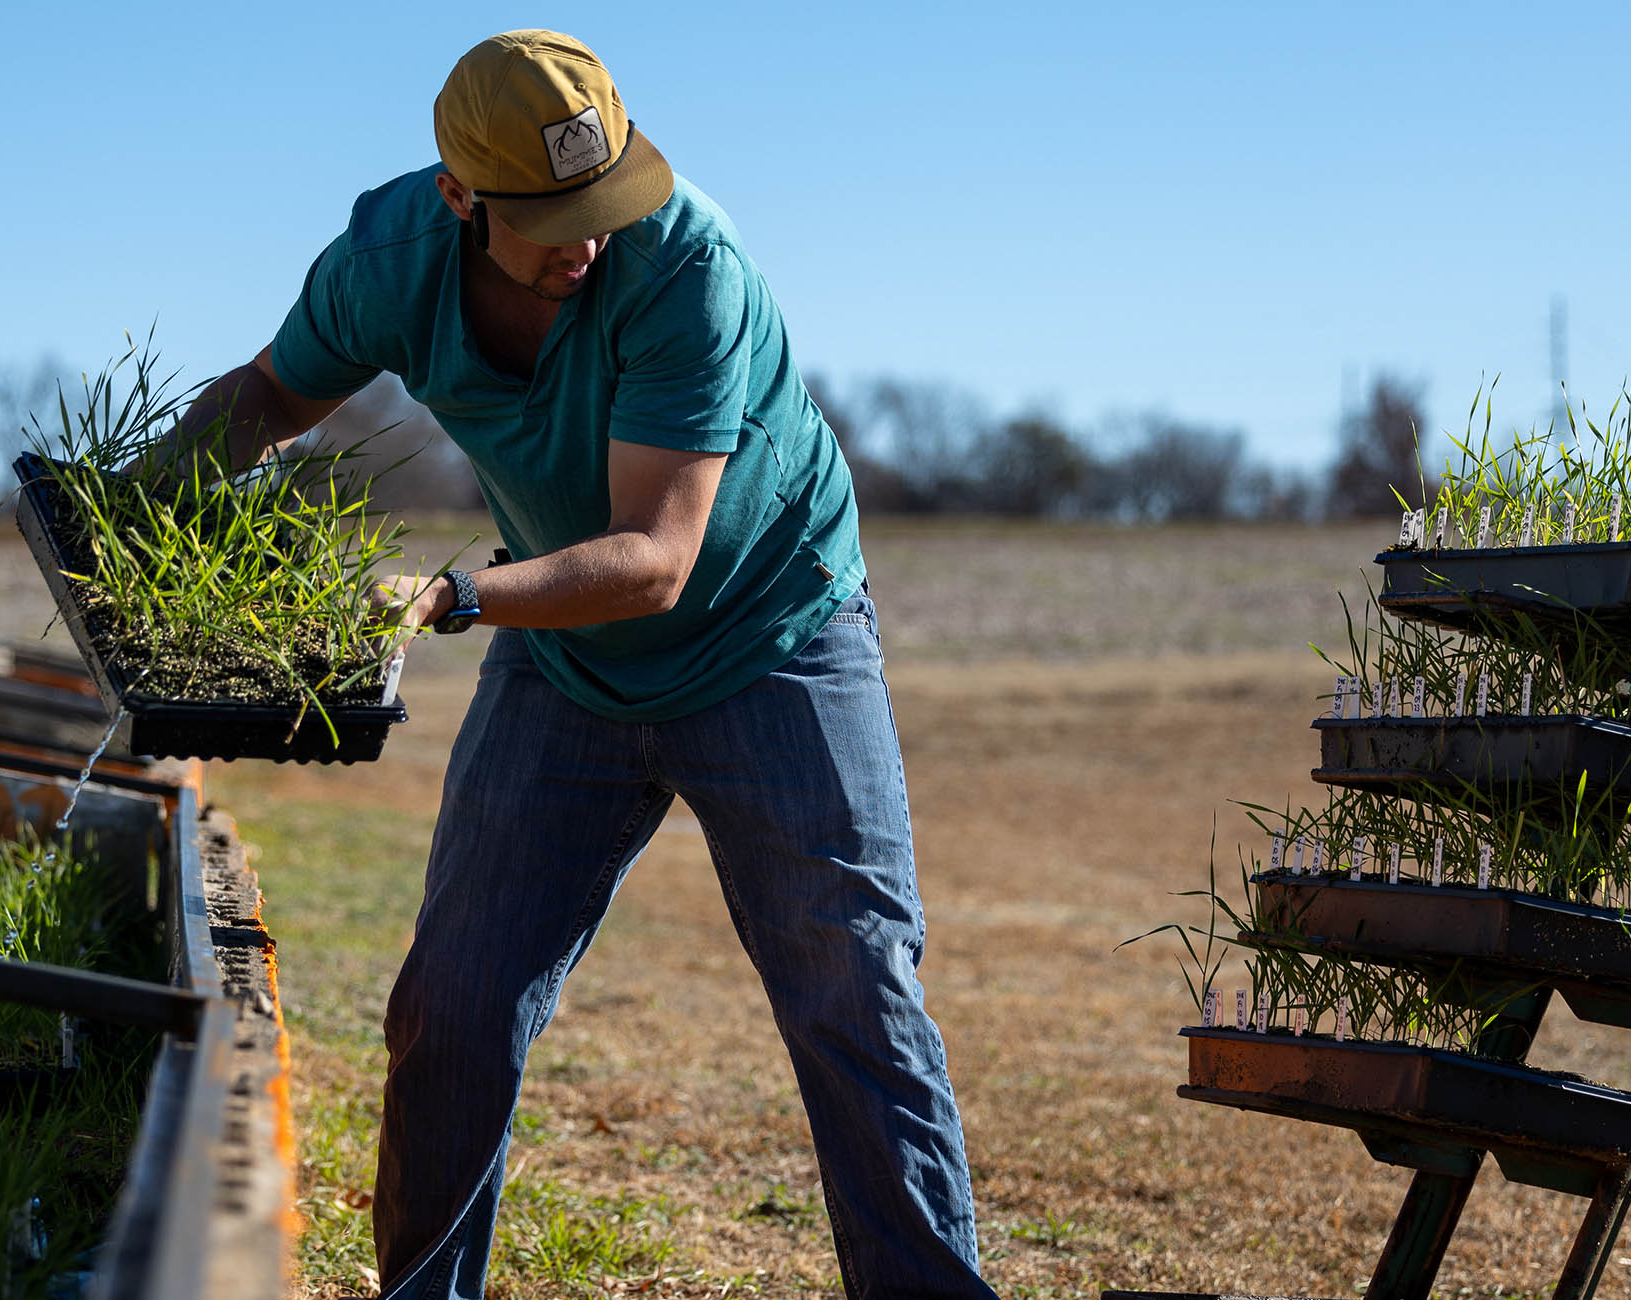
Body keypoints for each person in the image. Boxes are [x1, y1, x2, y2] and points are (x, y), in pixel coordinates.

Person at [154, 30, 998, 1300]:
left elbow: (657, 558)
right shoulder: (387, 263)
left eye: (599, 203)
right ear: (459, 197)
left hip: (769, 636)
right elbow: (271, 395)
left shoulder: (687, 268)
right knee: (452, 1001)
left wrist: (454, 595)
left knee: (853, 995)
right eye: (550, 219)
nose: (585, 242)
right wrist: (131, 513)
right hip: (569, 668)